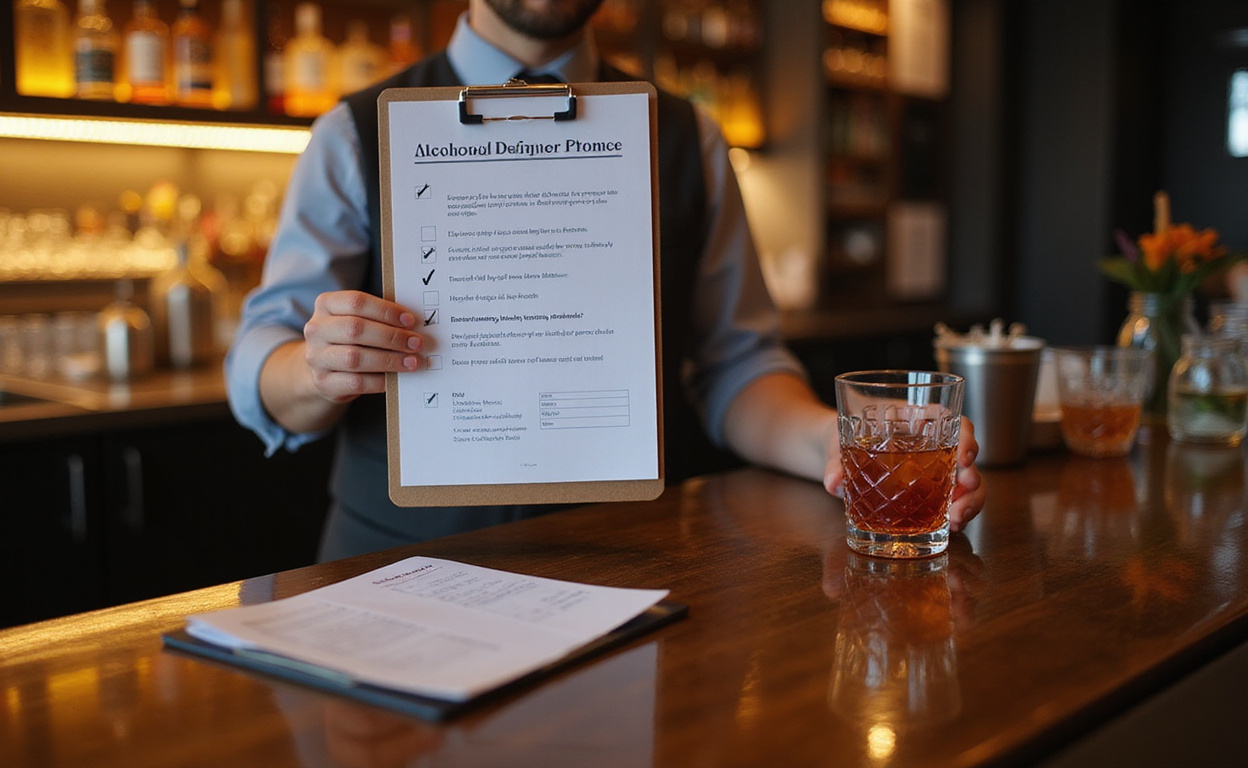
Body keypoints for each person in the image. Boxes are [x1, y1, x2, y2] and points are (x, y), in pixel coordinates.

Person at [226, 0, 986, 561]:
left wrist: (835, 442)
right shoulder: (355, 132)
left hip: (629, 569)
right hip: (394, 574)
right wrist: (315, 366)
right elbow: (259, 360)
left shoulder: (690, 137)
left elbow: (737, 368)